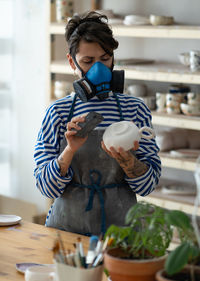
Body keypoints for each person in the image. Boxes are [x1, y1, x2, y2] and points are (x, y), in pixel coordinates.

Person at [34, 11, 161, 236]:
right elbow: (46, 187)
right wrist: (69, 150)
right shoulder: (58, 113)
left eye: (105, 59)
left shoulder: (134, 109)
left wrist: (128, 161)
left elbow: (148, 186)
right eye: (88, 61)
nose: (99, 70)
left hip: (122, 234)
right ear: (72, 61)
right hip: (66, 232)